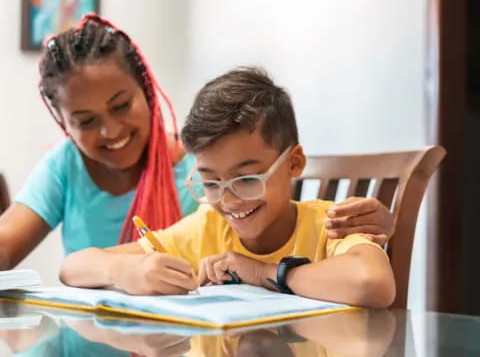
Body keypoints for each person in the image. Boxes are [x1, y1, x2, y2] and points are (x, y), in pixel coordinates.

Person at [0, 12, 392, 270]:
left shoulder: (206, 166)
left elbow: (292, 228)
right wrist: (129, 272)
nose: (110, 131)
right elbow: (24, 252)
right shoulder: (65, 166)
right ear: (64, 123)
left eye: (121, 106)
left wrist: (376, 227)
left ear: (147, 90)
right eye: (84, 121)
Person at [60, 67, 396, 308]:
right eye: (210, 183)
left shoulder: (332, 225)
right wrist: (127, 270)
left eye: (247, 179)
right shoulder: (207, 227)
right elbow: (72, 267)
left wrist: (261, 272)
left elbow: (371, 282)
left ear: (294, 163)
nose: (229, 200)